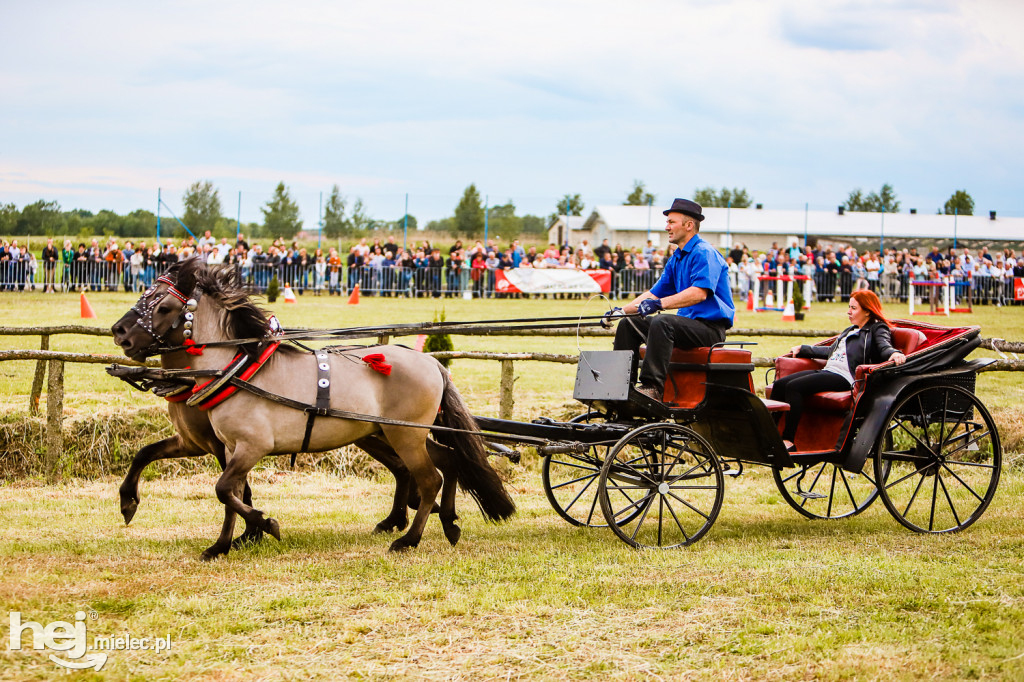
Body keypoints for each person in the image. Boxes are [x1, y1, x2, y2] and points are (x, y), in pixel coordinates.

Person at [604, 198, 734, 402]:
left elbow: (700, 292)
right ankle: (620, 386)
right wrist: (621, 311)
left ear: (689, 225)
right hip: (687, 327)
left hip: (709, 329)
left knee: (662, 321)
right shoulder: (677, 258)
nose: (667, 227)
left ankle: (652, 388)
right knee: (628, 324)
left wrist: (660, 305)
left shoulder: (704, 252)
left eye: (671, 222)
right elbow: (654, 293)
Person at [773, 289, 906, 450]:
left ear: (867, 311)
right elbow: (831, 352)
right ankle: (770, 434)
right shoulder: (850, 330)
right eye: (849, 307)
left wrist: (894, 353)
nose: (848, 312)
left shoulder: (877, 328)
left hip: (846, 377)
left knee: (794, 388)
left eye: (853, 308)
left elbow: (884, 346)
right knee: (780, 385)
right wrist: (804, 349)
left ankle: (788, 441)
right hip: (829, 371)